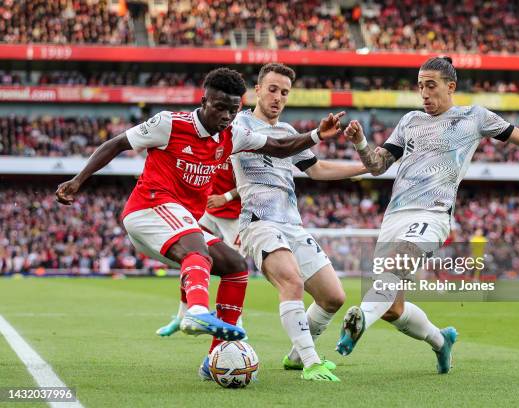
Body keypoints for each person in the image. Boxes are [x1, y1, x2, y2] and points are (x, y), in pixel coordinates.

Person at [55, 67, 346, 352]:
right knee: (198, 247)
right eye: (219, 107)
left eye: (233, 110)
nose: (226, 116)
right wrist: (78, 181)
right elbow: (116, 143)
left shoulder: (234, 135)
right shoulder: (169, 123)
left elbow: (279, 147)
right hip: (150, 208)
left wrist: (316, 136)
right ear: (203, 100)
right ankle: (195, 310)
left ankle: (219, 354)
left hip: (182, 222)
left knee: (234, 266)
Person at [338, 56, 519, 374]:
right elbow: (377, 167)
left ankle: (357, 323)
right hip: (395, 216)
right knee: (391, 307)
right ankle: (441, 341)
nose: (425, 94)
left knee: (395, 266)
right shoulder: (409, 121)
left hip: (433, 214)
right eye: (420, 87)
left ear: (451, 86)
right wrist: (361, 143)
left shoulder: (474, 117)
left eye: (431, 86)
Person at [226, 63, 368, 382]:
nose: (278, 97)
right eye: (272, 89)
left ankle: (293, 357)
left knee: (333, 297)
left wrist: (364, 168)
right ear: (258, 90)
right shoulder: (238, 125)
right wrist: (315, 135)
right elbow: (273, 149)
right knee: (292, 282)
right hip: (258, 222)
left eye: (285, 92)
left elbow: (316, 170)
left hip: (292, 224)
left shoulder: (289, 132)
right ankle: (310, 361)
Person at [156, 157, 243, 337]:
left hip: (235, 217)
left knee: (234, 269)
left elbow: (252, 182)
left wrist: (226, 197)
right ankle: (183, 315)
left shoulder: (241, 139)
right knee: (191, 258)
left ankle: (234, 324)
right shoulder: (208, 140)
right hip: (207, 212)